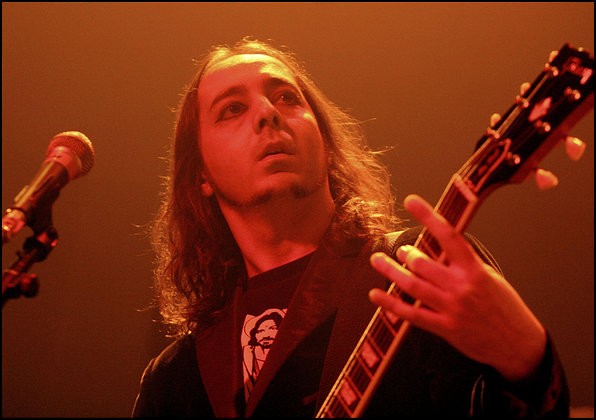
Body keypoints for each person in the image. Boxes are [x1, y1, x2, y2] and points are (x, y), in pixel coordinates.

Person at [132, 37, 582, 417]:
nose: (268, 113)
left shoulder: (419, 272)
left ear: (325, 143)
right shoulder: (176, 379)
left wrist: (527, 362)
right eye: (232, 108)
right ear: (201, 175)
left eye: (287, 97)